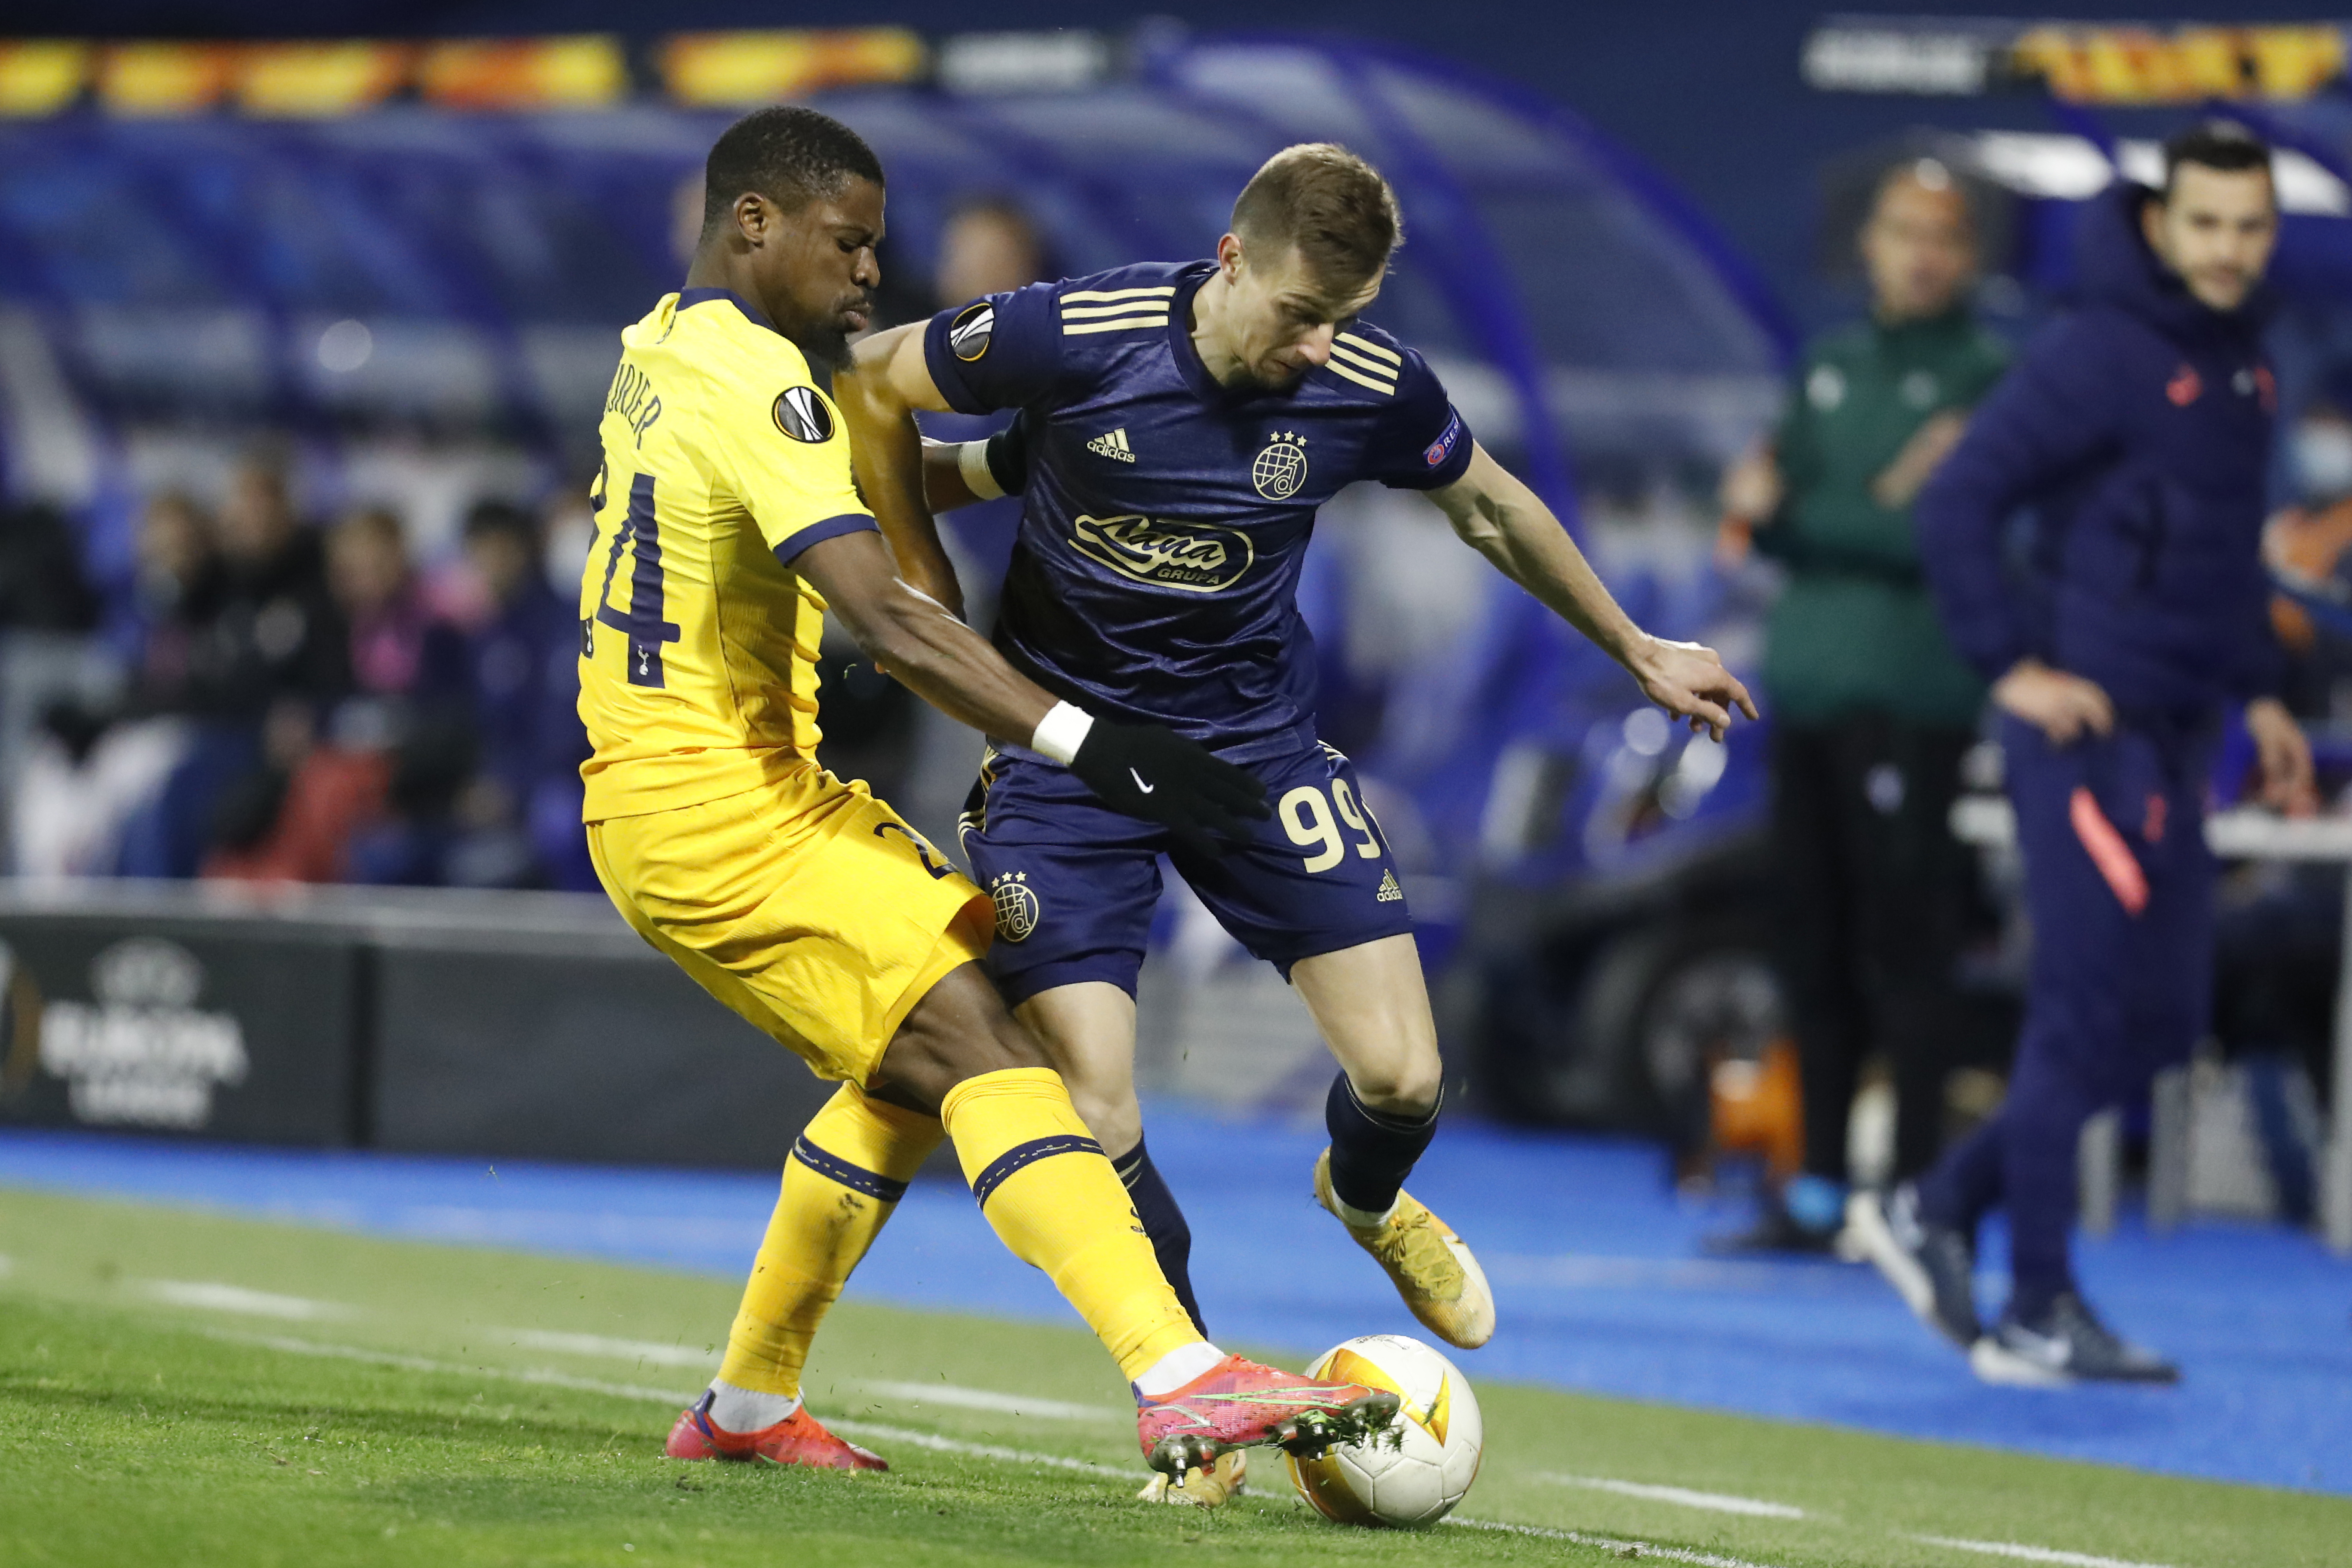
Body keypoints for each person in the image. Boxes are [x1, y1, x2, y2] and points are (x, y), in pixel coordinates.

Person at [841, 141, 1757, 1501]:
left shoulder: (1366, 386)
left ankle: (1367, 1198)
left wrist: (1634, 646)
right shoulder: (1072, 333)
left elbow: (1493, 509)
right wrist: (919, 582)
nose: (1321, 348)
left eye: (1349, 317)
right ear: (1229, 260)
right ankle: (1199, 1401)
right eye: (1298, 315)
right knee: (1094, 1103)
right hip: (1066, 757)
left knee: (1403, 1080)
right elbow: (874, 382)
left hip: (1256, 755)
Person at [580, 106, 1401, 1485]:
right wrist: (1096, 744)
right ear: (755, 224)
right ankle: (1180, 1378)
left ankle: (744, 1405)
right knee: (995, 1060)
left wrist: (1035, 462)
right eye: (849, 245)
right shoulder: (767, 387)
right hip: (716, 815)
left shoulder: (663, 353)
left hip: (721, 796)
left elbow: (872, 484)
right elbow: (891, 626)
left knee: (912, 1069)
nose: (867, 275)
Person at [1850, 122, 2316, 1384]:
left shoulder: (2246, 368)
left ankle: (1935, 1207)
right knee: (2084, 1015)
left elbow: (2223, 559)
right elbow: (1959, 499)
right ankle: (2036, 1310)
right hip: (2085, 737)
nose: (2230, 249)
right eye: (2208, 223)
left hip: (2179, 739)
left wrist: (2264, 698)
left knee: (2165, 1025)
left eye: (2252, 226)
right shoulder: (2098, 352)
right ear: (2162, 224)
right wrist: (2011, 666)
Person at [1709, 159, 2009, 1255]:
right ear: (1871, 244)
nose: (1921, 253)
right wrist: (1845, 505)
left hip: (1915, 702)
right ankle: (1821, 1188)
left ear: (1968, 255)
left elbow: (1935, 531)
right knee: (1811, 946)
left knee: (1912, 950)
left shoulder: (1990, 374)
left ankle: (1922, 1197)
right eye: (1901, 231)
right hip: (1810, 696)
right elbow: (1760, 512)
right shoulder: (1828, 364)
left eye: (1942, 235)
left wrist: (1810, 512)